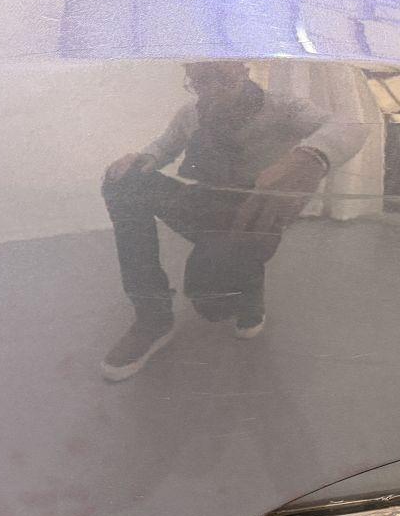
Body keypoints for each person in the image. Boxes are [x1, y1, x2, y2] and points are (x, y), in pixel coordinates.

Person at [100, 61, 364, 381]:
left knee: (212, 304)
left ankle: (247, 290)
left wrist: (311, 157)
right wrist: (141, 159)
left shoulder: (281, 108)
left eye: (222, 77)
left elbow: (350, 126)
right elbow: (166, 144)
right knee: (122, 181)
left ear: (243, 68)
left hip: (255, 214)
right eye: (200, 80)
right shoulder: (191, 113)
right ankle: (152, 317)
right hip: (206, 202)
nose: (212, 88)